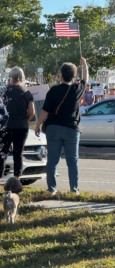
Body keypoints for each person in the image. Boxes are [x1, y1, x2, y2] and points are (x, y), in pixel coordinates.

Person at [35, 57, 88, 195]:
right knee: (72, 160)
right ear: (73, 76)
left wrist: (37, 125)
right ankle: (73, 190)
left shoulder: (53, 90)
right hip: (72, 128)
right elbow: (85, 80)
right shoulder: (77, 89)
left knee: (52, 160)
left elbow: (45, 111)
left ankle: (52, 189)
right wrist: (85, 65)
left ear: (61, 75)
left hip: (53, 128)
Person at [0, 67, 35, 191]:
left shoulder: (4, 91)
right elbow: (32, 112)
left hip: (6, 126)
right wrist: (26, 119)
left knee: (2, 154)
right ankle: (16, 183)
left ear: (11, 77)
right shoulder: (27, 93)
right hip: (22, 126)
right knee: (18, 154)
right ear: (22, 77)